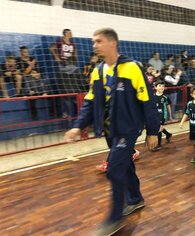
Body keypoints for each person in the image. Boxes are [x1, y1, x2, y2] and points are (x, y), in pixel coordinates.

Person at [64, 28, 160, 236]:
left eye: (98, 41)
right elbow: (90, 102)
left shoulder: (132, 68)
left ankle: (115, 219)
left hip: (129, 129)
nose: (94, 45)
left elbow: (148, 101)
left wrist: (153, 131)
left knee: (113, 170)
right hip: (111, 130)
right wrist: (77, 125)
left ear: (112, 43)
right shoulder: (97, 71)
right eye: (93, 42)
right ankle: (135, 199)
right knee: (124, 166)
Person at [152, 80, 173, 151]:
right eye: (159, 86)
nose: (161, 87)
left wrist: (170, 116)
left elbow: (168, 107)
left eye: (163, 86)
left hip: (162, 115)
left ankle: (159, 144)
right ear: (155, 87)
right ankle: (168, 134)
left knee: (159, 129)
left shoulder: (165, 97)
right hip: (155, 115)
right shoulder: (152, 96)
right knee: (158, 128)